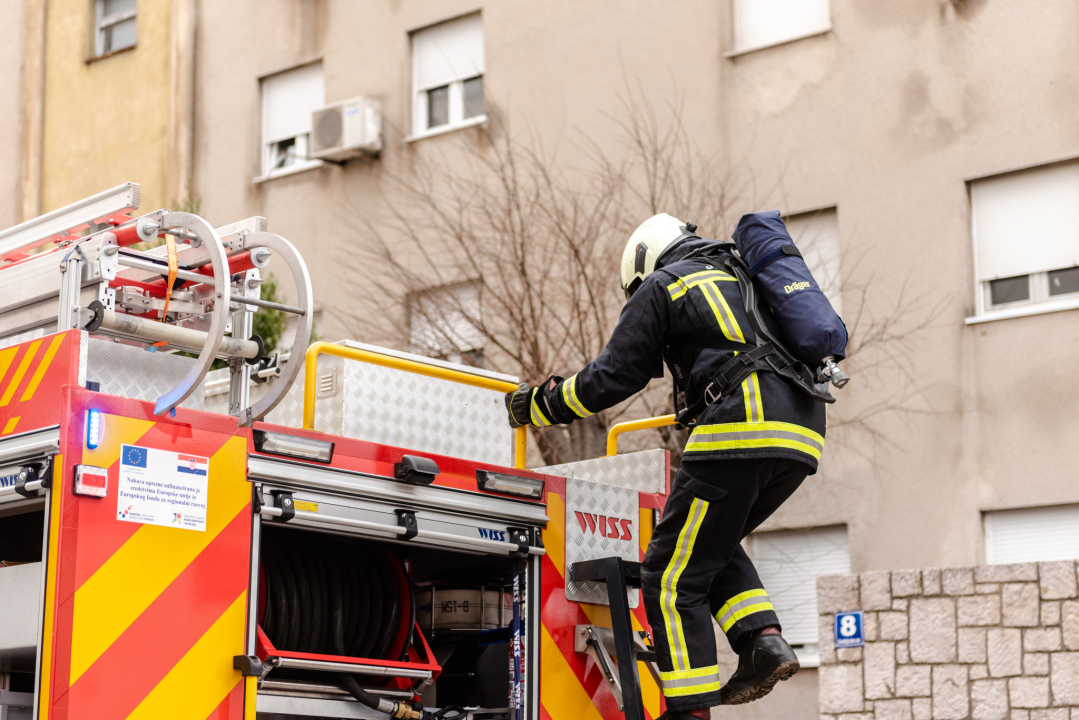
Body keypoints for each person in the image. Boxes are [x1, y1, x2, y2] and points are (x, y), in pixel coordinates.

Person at [505, 213, 843, 719]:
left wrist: (542, 405)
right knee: (710, 542)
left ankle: (689, 710)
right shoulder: (744, 273)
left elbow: (613, 376)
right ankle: (762, 640)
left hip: (741, 423)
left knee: (668, 575)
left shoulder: (665, 283)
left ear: (643, 264)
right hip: (803, 430)